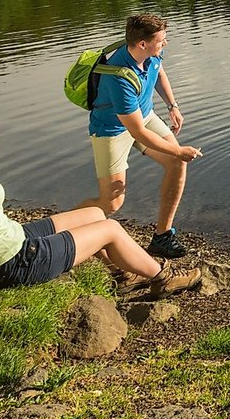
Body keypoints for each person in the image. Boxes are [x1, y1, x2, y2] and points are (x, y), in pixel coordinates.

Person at [0, 107, 199, 324]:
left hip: (9, 241)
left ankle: (123, 273)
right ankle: (163, 279)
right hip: (11, 264)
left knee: (93, 212)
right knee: (112, 229)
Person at [84, 13, 201, 258]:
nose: (165, 44)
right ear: (142, 44)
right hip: (111, 129)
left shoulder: (151, 53)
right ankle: (63, 225)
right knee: (112, 203)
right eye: (161, 40)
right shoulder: (119, 76)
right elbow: (137, 132)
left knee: (176, 165)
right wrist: (179, 150)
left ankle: (162, 236)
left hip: (142, 115)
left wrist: (172, 105)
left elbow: (158, 72)